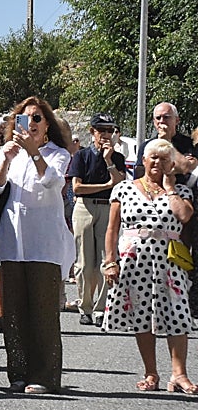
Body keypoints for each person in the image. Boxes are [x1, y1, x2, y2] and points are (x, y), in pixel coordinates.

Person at [0, 96, 74, 395]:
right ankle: (18, 373)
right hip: (12, 243)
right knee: (13, 313)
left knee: (43, 313)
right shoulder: (8, 153)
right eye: (26, 119)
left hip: (44, 244)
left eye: (37, 118)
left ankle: (46, 375)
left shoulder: (57, 154)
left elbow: (53, 183)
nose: (32, 124)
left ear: (47, 124)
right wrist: (6, 161)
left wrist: (35, 153)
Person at [101, 139, 196, 393]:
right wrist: (110, 261)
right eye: (153, 157)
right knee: (142, 316)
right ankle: (151, 373)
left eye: (164, 159)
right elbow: (112, 229)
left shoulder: (182, 192)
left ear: (171, 164)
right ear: (143, 160)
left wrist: (170, 188)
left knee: (177, 316)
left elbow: (185, 217)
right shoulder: (123, 189)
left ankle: (179, 374)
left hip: (169, 261)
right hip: (135, 260)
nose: (158, 162)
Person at [67, 114, 125, 327]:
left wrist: (109, 161)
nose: (106, 135)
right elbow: (77, 187)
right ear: (92, 132)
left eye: (110, 131)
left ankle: (101, 308)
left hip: (108, 207)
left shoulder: (116, 158)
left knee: (105, 261)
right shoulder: (82, 156)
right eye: (102, 130)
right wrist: (106, 185)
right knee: (84, 263)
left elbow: (120, 184)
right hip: (85, 207)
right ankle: (85, 306)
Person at [134, 102, 193, 177]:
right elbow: (139, 173)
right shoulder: (146, 146)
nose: (161, 121)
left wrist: (167, 141)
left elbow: (186, 168)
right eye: (158, 118)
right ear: (154, 122)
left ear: (177, 120)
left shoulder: (190, 143)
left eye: (166, 117)